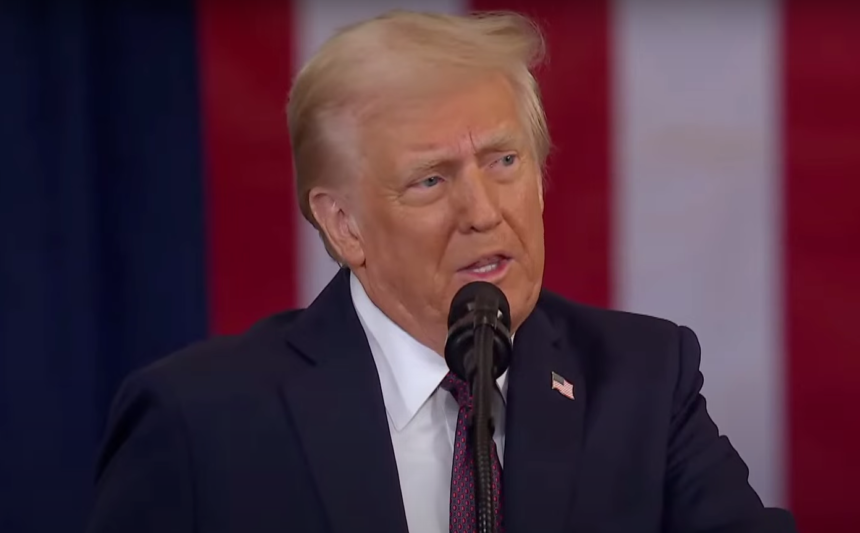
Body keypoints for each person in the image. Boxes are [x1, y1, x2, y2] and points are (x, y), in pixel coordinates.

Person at [86, 9, 796, 533]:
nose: (482, 211)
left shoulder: (643, 379)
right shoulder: (201, 420)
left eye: (504, 161)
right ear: (343, 225)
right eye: (430, 180)